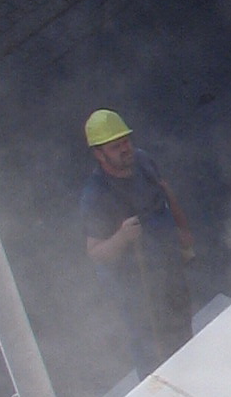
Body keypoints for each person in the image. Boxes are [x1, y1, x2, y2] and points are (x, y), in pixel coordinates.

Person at [80, 108, 195, 379]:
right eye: (116, 146)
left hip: (168, 266)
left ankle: (192, 370)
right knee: (152, 346)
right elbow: (95, 251)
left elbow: (165, 191)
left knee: (181, 321)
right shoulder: (96, 196)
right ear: (99, 154)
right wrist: (121, 237)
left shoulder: (142, 161)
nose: (125, 149)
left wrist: (184, 232)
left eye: (126, 141)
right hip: (137, 286)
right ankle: (163, 391)